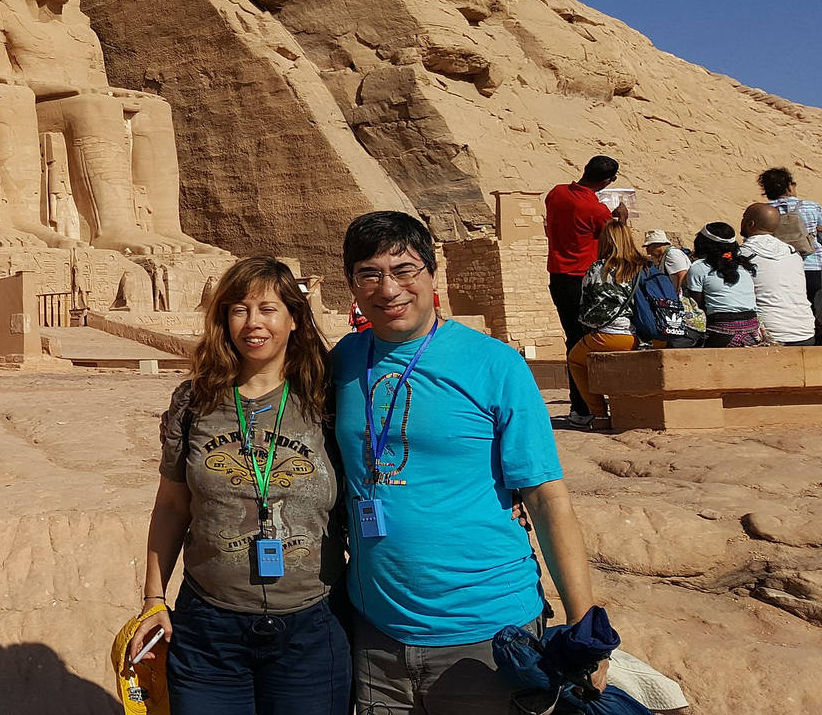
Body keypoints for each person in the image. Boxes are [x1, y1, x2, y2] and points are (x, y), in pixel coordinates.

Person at [335, 211, 604, 714]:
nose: (388, 288)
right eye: (370, 274)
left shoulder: (494, 364)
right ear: (351, 283)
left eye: (404, 270)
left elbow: (545, 499)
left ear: (433, 273)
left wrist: (582, 617)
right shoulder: (345, 359)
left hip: (485, 630)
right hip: (376, 633)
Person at [128, 256, 350, 715]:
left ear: (294, 318)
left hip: (311, 623)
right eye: (239, 309)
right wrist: (153, 599)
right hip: (210, 627)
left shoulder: (329, 399)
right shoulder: (195, 402)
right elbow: (171, 506)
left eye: (268, 309)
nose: (253, 324)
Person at [544, 156, 627, 423]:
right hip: (585, 279)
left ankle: (580, 408)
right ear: (607, 181)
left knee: (573, 339)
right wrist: (621, 220)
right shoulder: (596, 210)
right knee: (593, 341)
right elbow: (615, 242)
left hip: (559, 276)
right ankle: (591, 406)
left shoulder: (556, 194)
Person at [566, 221, 644, 428]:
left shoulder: (599, 269)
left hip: (610, 336)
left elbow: (586, 308)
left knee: (575, 360)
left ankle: (599, 414)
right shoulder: (644, 266)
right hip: (643, 337)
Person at [740, 202, 816, 345]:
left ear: (750, 223)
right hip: (805, 331)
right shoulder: (793, 253)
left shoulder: (743, 254)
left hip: (769, 335)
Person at [684, 223, 764, 347]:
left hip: (721, 332)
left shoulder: (699, 268)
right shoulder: (744, 267)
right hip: (753, 332)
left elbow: (697, 306)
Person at [759, 167, 821, 301]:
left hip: (780, 269)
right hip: (813, 266)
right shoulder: (812, 207)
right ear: (789, 187)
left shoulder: (763, 212)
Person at [641, 230, 703, 347]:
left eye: (649, 247)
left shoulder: (672, 254)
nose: (648, 251)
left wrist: (676, 299)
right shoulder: (665, 257)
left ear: (657, 245)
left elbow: (683, 276)